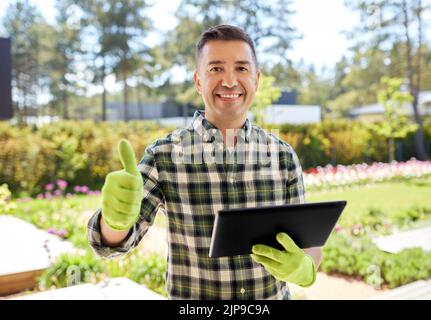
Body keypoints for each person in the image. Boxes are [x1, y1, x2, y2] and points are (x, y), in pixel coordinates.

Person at [87, 24, 322, 300]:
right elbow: (111, 244)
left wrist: (306, 268)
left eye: (241, 69)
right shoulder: (163, 155)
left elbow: (308, 245)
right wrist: (114, 221)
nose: (230, 81)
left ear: (256, 80)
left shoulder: (283, 156)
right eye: (216, 69)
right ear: (198, 81)